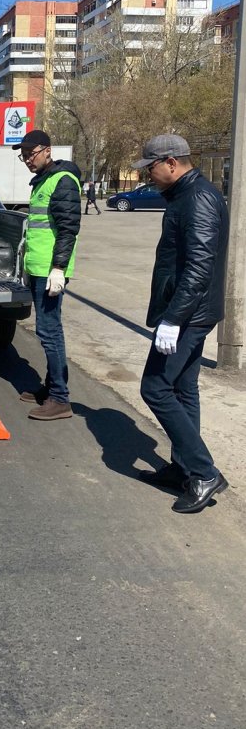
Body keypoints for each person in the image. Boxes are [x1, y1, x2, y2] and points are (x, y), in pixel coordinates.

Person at [133, 135, 229, 514]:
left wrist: (173, 319)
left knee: (155, 388)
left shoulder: (198, 198)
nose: (149, 177)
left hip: (188, 314)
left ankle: (204, 473)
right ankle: (184, 469)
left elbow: (199, 266)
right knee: (184, 388)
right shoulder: (185, 195)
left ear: (171, 163)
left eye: (152, 169)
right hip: (190, 311)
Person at [16, 129, 82, 420]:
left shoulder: (63, 181)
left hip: (50, 271)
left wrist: (58, 268)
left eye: (31, 154)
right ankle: (52, 386)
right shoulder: (43, 181)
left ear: (47, 150)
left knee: (49, 331)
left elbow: (68, 230)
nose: (27, 159)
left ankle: (59, 398)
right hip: (39, 268)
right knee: (48, 330)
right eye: (24, 155)